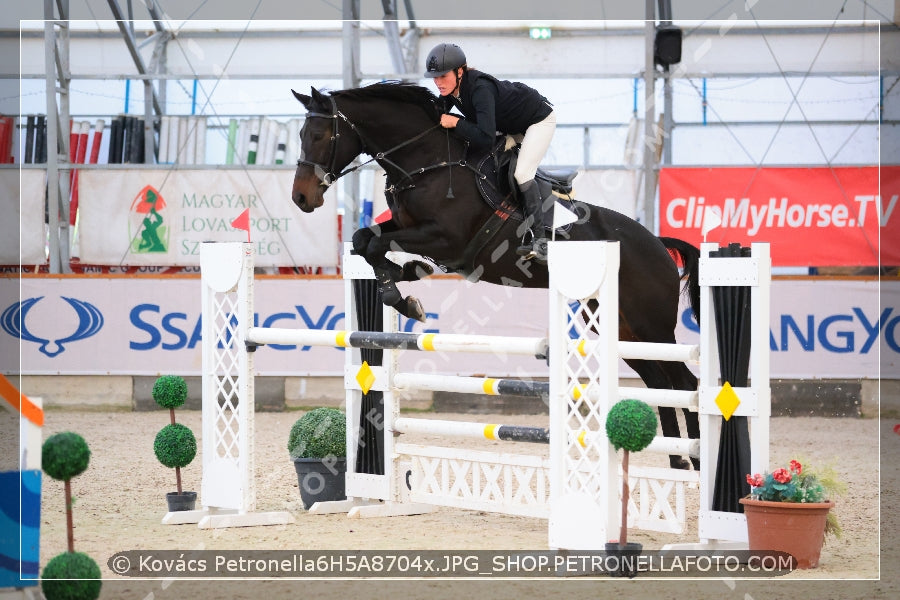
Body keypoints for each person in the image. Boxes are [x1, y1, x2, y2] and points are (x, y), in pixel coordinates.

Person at [424, 42, 557, 264]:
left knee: (522, 174)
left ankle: (541, 242)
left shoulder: (479, 88)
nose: (438, 82)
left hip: (537, 122)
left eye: (442, 76)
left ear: (460, 71)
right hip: (511, 127)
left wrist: (457, 122)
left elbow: (485, 137)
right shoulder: (452, 89)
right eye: (434, 77)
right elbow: (437, 116)